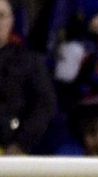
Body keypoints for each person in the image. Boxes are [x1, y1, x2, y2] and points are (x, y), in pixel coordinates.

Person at [0, 0, 59, 154]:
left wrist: (20, 145)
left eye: (1, 16)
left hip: (12, 150)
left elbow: (45, 105)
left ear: (11, 20)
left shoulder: (29, 61)